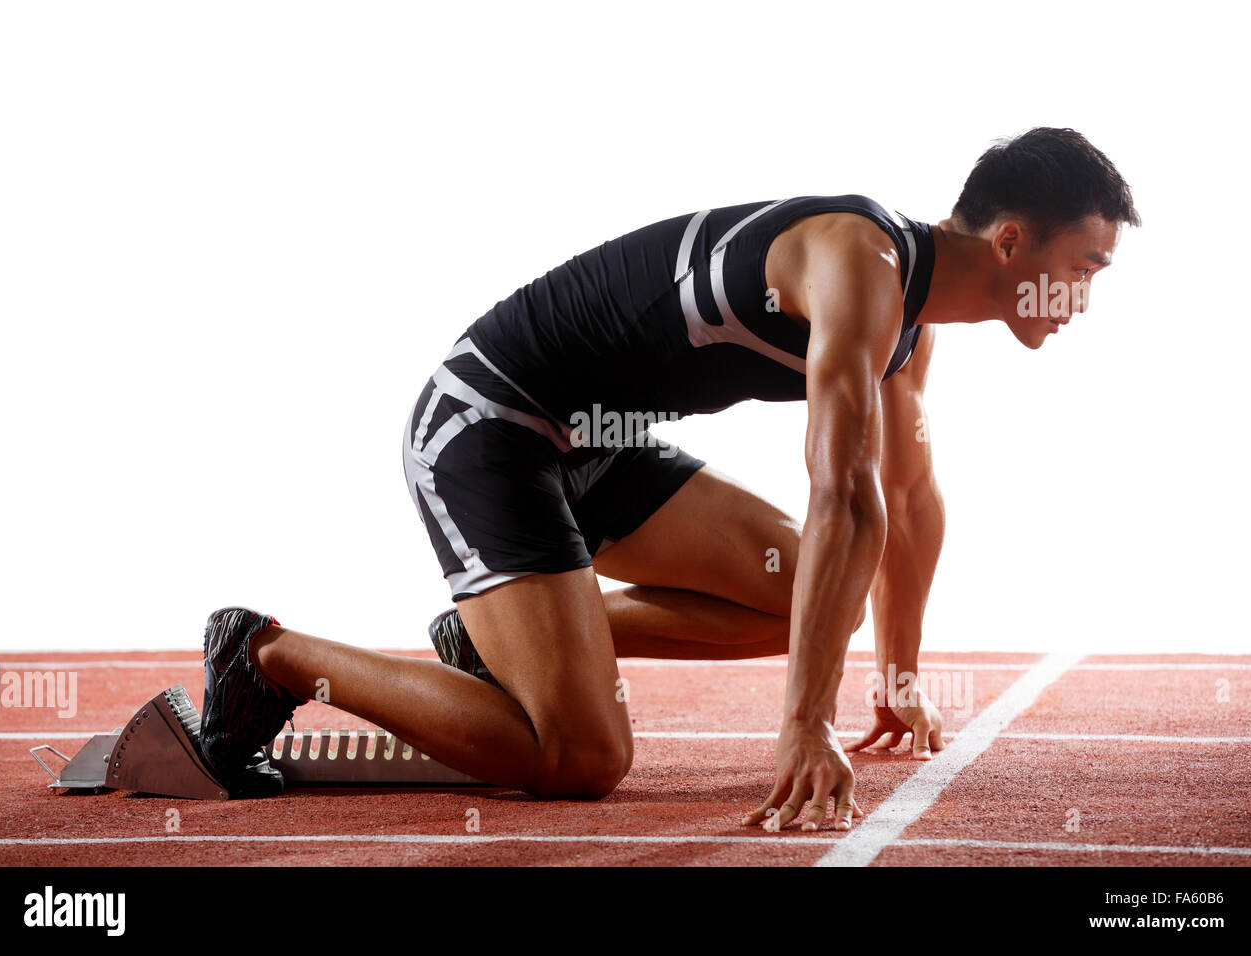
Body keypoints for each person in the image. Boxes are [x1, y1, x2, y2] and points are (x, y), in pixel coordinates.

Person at [198, 127, 1138, 830]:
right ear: (1012, 243)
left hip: (596, 443)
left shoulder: (910, 324)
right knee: (581, 759)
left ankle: (513, 646)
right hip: (488, 425)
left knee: (812, 596)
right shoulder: (862, 263)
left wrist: (894, 675)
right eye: (1088, 266)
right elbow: (844, 496)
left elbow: (911, 500)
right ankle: (270, 655)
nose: (1087, 298)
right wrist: (805, 721)